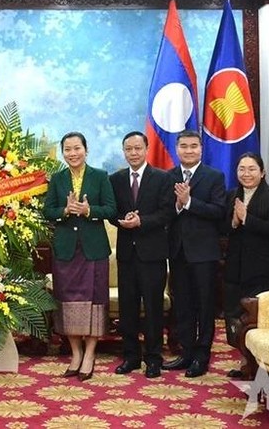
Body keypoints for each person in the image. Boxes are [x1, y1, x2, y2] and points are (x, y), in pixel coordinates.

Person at [43, 131, 116, 382]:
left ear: (86, 150)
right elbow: (47, 211)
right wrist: (64, 210)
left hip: (93, 249)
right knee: (68, 301)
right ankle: (75, 353)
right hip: (66, 250)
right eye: (68, 149)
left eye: (77, 148)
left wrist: (88, 210)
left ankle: (90, 354)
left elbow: (110, 208)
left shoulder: (100, 177)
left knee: (94, 300)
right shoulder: (57, 178)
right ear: (63, 153)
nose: (73, 154)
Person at [108, 131, 173, 379]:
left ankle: (154, 358)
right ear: (123, 151)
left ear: (146, 149)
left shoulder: (161, 178)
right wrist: (121, 221)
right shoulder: (116, 179)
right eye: (128, 149)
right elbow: (111, 211)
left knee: (154, 308)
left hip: (153, 254)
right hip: (126, 255)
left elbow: (167, 213)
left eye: (137, 148)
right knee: (128, 308)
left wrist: (141, 221)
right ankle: (131, 357)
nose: (133, 153)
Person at [162, 129, 226, 378]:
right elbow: (165, 212)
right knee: (184, 305)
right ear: (177, 149)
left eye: (193, 146)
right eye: (184, 146)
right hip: (177, 252)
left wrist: (189, 202)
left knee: (205, 305)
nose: (188, 150)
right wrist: (178, 205)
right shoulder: (168, 177)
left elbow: (218, 211)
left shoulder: (214, 176)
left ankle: (202, 356)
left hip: (204, 253)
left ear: (201, 149)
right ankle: (186, 352)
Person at [222, 152, 269, 377]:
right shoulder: (231, 195)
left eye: (251, 169)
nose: (246, 174)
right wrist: (234, 221)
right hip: (234, 267)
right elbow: (221, 228)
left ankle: (261, 369)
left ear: (262, 172)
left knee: (258, 319)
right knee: (236, 317)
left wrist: (247, 218)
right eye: (242, 169)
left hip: (261, 270)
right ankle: (246, 363)